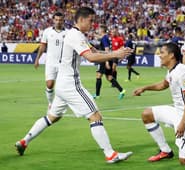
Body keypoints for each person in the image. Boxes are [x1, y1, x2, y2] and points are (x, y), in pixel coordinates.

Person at [15, 7, 133, 163]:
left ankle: (24, 141)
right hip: (71, 84)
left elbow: (95, 50)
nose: (93, 24)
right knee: (95, 115)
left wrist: (115, 52)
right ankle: (110, 154)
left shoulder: (75, 34)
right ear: (81, 19)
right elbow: (91, 57)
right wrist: (115, 55)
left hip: (62, 85)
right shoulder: (75, 35)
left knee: (52, 117)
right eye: (91, 21)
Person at [34, 12, 67, 111]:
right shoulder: (47, 32)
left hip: (63, 63)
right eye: (56, 20)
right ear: (53, 20)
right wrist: (37, 59)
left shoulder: (68, 33)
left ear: (63, 21)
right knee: (49, 84)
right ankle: (50, 103)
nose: (58, 22)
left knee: (63, 85)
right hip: (50, 63)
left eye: (60, 20)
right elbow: (43, 46)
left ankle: (62, 104)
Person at [93, 24, 126, 99]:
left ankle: (97, 95)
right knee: (109, 77)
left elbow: (107, 50)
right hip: (107, 58)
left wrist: (106, 61)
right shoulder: (105, 37)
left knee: (99, 75)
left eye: (99, 29)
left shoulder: (104, 38)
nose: (98, 30)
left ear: (102, 30)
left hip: (104, 59)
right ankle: (122, 90)